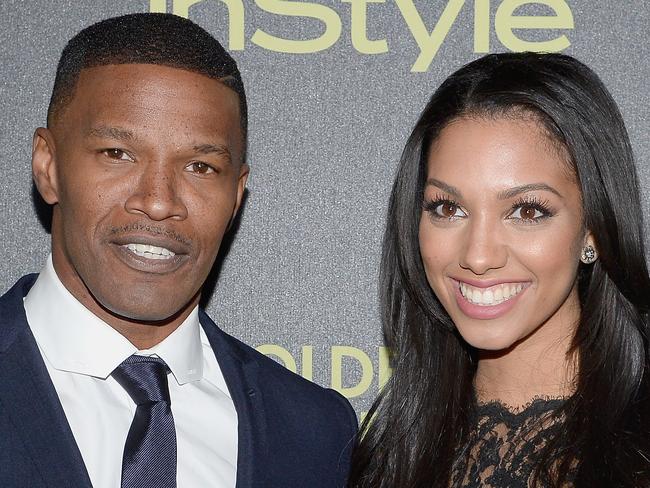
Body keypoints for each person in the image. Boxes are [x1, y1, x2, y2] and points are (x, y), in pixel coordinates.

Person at [0, 13, 357, 488]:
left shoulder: (313, 429)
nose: (159, 200)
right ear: (48, 167)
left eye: (200, 166)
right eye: (117, 154)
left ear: (236, 194)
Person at [348, 52, 650, 487]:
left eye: (527, 211)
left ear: (593, 230)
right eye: (447, 208)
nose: (479, 255)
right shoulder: (386, 453)